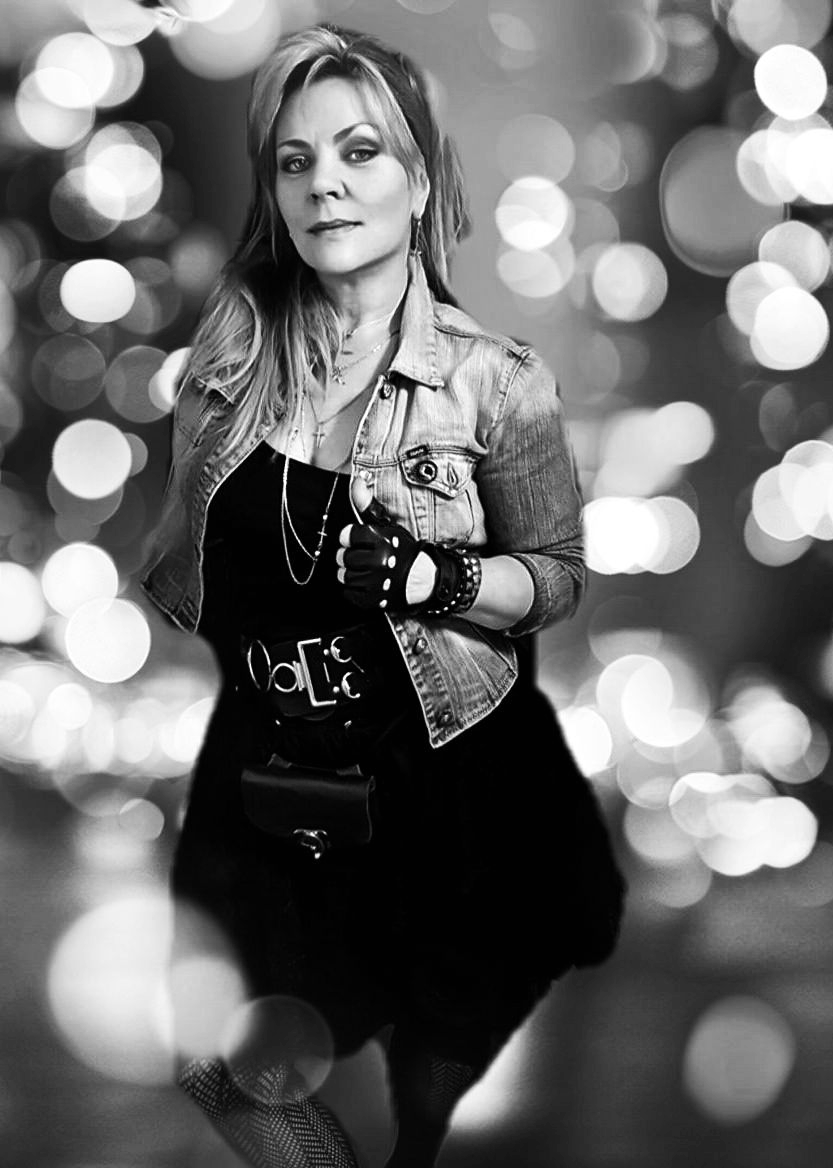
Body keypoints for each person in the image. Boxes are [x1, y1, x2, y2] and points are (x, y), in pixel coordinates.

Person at [140, 22, 625, 1168]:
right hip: (263, 763)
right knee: (216, 1056)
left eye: (359, 151)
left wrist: (434, 576)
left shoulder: (496, 380)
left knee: (416, 1087)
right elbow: (193, 558)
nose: (325, 184)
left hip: (437, 777)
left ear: (418, 181)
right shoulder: (228, 366)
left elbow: (558, 576)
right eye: (295, 160)